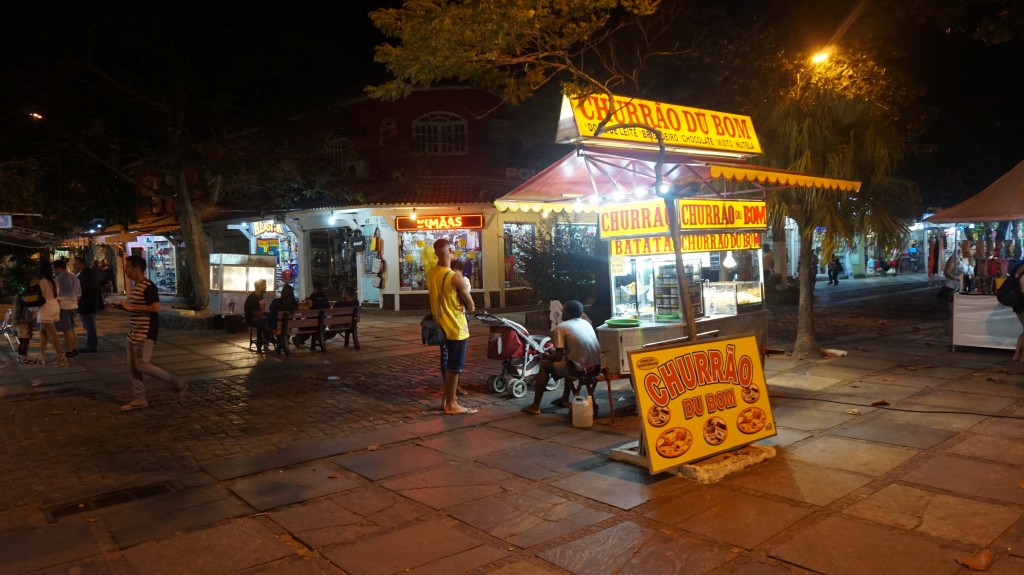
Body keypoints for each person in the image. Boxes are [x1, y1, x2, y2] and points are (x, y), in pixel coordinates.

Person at [120, 255, 187, 410]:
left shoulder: (148, 286)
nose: (125, 270)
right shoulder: (137, 286)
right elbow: (137, 307)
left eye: (128, 266)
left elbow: (155, 308)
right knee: (133, 369)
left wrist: (131, 308)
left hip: (145, 333)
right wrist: (121, 306)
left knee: (142, 365)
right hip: (133, 333)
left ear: (136, 268)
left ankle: (176, 381)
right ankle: (139, 398)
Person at [521, 300, 601, 415]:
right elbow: (574, 350)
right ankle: (564, 398)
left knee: (544, 365)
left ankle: (535, 406)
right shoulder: (586, 323)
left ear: (567, 314)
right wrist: (556, 353)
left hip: (581, 369)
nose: (561, 312)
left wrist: (547, 355)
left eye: (563, 311)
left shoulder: (562, 327)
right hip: (596, 366)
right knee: (567, 361)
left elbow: (558, 357)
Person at [426, 238, 477, 415]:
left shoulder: (431, 273)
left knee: (447, 364)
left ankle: (446, 400)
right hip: (456, 328)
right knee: (455, 367)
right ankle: (451, 404)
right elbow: (471, 305)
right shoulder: (455, 277)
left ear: (435, 253)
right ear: (450, 251)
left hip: (440, 327)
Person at [35, 262, 67, 365]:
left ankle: (61, 355)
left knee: (52, 333)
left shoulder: (42, 282)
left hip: (46, 307)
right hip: (54, 305)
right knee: (42, 332)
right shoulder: (54, 281)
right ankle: (41, 355)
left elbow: (39, 296)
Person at [53, 259, 81, 359]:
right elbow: (79, 294)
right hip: (74, 306)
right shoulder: (75, 278)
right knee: (72, 329)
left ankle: (70, 351)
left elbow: (59, 294)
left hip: (64, 306)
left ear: (58, 268)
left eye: (54, 269)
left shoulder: (59, 278)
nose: (54, 271)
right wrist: (75, 302)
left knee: (67, 330)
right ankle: (74, 349)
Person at [292, 280, 331, 348]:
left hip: (311, 324)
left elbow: (305, 307)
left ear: (314, 288)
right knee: (309, 325)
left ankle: (298, 338)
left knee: (306, 324)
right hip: (322, 324)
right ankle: (299, 339)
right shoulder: (326, 299)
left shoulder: (313, 297)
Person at [74, 256, 100, 353]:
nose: (74, 266)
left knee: (89, 326)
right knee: (89, 326)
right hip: (89, 303)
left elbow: (82, 290)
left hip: (87, 304)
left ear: (82, 264)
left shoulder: (86, 275)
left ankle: (91, 346)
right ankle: (91, 345)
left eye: (76, 264)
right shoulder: (87, 273)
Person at [244, 278, 271, 352]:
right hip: (251, 319)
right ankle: (266, 340)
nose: (266, 287)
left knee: (269, 319)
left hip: (258, 317)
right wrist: (264, 314)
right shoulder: (252, 298)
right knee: (264, 321)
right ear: (260, 286)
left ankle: (267, 338)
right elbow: (255, 313)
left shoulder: (260, 296)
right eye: (265, 286)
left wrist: (264, 313)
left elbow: (261, 310)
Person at [13, 290, 36, 364]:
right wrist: (33, 320)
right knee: (25, 343)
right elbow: (28, 319)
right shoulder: (27, 307)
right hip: (25, 326)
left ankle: (20, 356)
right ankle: (24, 357)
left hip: (18, 326)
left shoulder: (17, 307)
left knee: (21, 342)